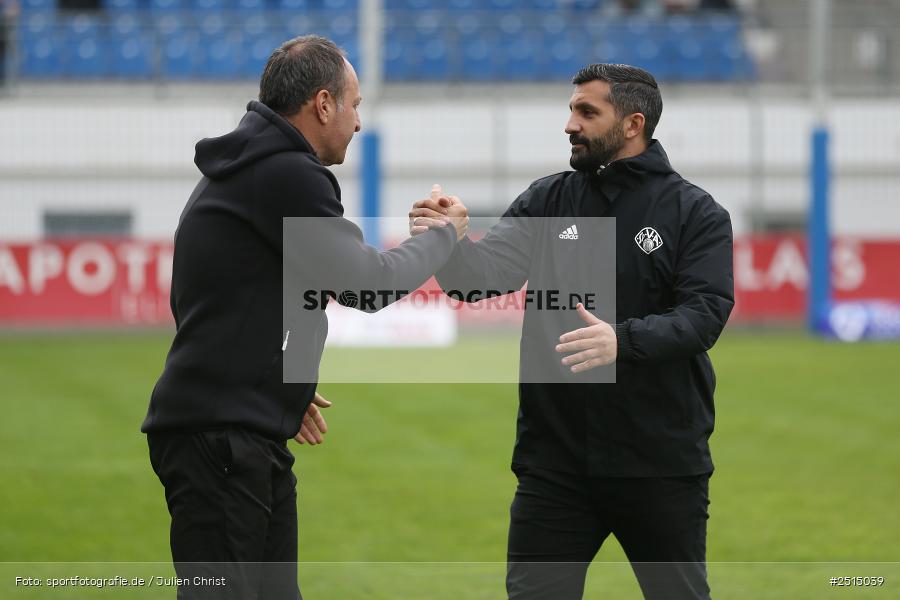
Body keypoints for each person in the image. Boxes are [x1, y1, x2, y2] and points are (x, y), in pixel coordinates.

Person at [142, 36, 466, 600]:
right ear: (322, 104)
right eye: (355, 104)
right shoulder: (285, 174)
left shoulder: (249, 169)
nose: (359, 122)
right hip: (222, 441)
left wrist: (276, 380)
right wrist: (442, 239)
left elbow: (225, 296)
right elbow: (365, 285)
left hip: (234, 430)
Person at [410, 63, 734, 600]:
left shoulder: (693, 213)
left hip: (658, 464)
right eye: (571, 110)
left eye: (587, 112)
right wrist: (452, 241)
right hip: (554, 467)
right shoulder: (549, 199)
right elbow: (479, 280)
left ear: (633, 124)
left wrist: (621, 341)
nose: (569, 124)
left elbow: (704, 314)